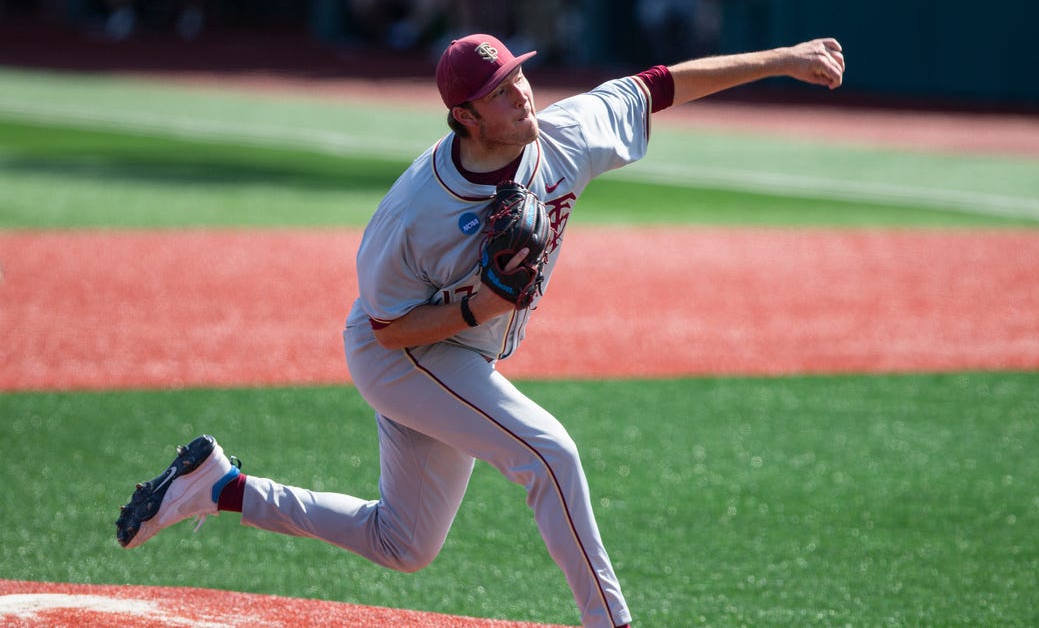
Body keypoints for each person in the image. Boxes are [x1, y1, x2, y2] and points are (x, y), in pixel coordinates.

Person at [115, 32, 845, 628]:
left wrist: (784, 59)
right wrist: (480, 306)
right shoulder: (413, 213)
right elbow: (388, 328)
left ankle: (221, 487)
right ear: (465, 116)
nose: (521, 92)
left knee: (403, 543)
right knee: (550, 455)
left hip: (460, 351)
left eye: (519, 76)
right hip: (402, 353)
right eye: (500, 90)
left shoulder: (564, 136)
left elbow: (660, 85)